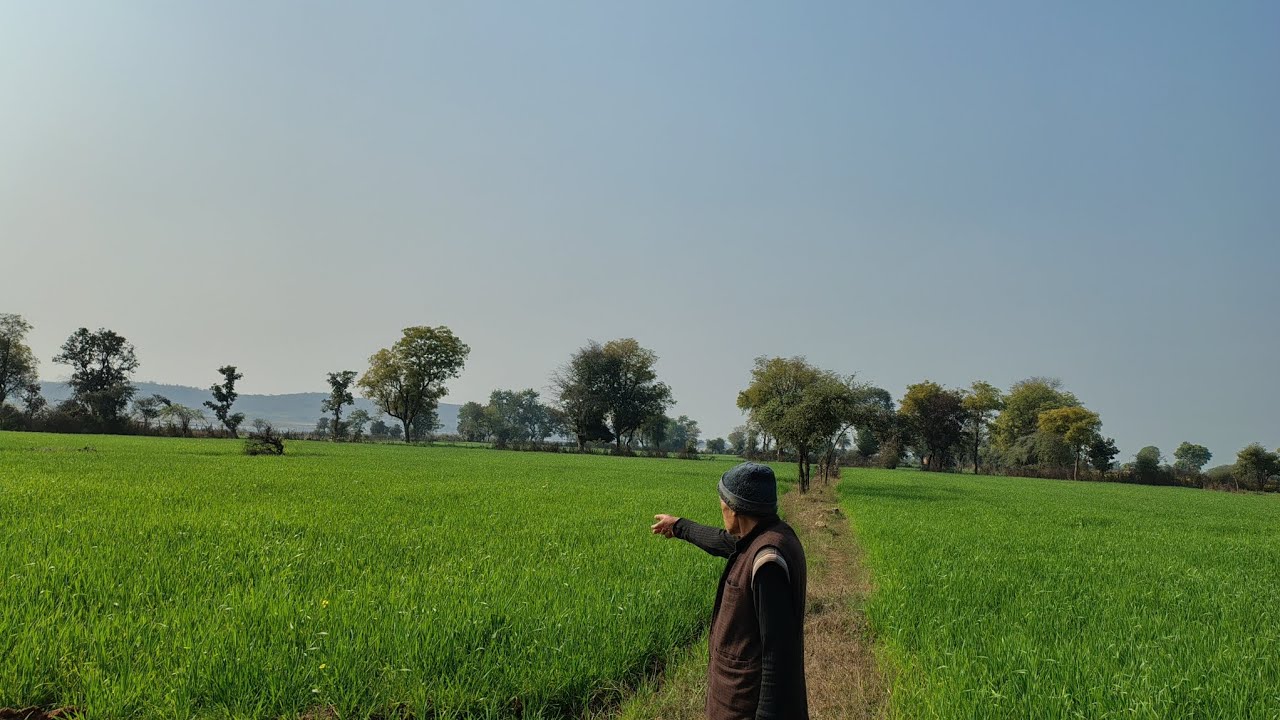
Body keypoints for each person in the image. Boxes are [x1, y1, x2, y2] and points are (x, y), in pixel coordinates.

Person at [652, 462, 808, 720]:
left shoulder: (767, 562)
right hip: (738, 695)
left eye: (723, 504)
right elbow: (723, 541)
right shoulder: (768, 535)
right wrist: (678, 525)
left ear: (735, 510)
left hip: (745, 702)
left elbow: (778, 653)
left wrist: (767, 714)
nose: (721, 510)